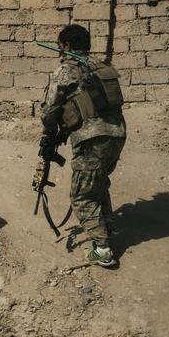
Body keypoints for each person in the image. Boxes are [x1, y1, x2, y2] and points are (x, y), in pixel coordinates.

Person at [39, 24, 126, 268]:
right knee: (98, 183)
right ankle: (106, 227)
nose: (59, 51)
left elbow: (50, 110)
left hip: (91, 140)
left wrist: (48, 130)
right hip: (117, 134)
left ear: (66, 46)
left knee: (81, 196)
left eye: (60, 46)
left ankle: (102, 249)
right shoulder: (102, 66)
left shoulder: (65, 71)